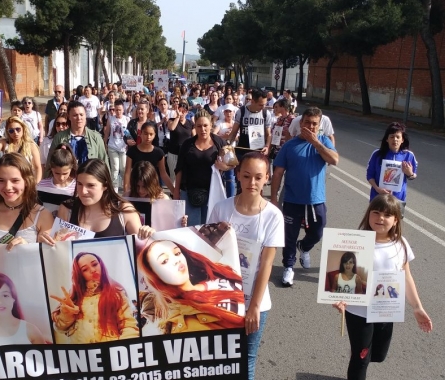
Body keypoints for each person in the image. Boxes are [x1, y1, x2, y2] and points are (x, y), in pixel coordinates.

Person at [332, 194, 432, 380]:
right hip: (358, 312)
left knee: (378, 355)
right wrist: (339, 298)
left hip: (385, 310)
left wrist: (417, 307)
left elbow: (406, 277)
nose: (380, 218)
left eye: (387, 215)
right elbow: (345, 275)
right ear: (368, 215)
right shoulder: (355, 243)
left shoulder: (400, 244)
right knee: (360, 357)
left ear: (395, 220)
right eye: (376, 213)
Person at [207, 152, 284, 380]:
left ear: (267, 178)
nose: (252, 183)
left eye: (258, 177)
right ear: (237, 174)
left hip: (254, 301)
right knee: (219, 358)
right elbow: (210, 254)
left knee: (246, 360)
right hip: (222, 298)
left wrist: (254, 307)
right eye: (247, 176)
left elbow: (266, 265)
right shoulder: (221, 208)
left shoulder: (273, 216)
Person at [271, 106, 339, 287]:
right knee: (289, 235)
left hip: (316, 199)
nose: (310, 126)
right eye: (307, 122)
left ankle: (305, 247)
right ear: (301, 123)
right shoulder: (290, 145)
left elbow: (334, 160)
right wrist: (274, 199)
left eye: (314, 124)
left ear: (320, 125)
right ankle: (288, 267)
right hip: (293, 199)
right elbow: (277, 173)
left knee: (318, 231)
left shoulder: (323, 142)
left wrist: (316, 143)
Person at [136, 240, 245, 334]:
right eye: (165, 261)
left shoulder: (214, 273)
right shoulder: (184, 318)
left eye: (177, 253)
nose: (176, 260)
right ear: (156, 276)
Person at [53, 159, 154, 239]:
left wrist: (149, 235)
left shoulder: (124, 211)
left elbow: (141, 249)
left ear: (105, 186)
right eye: (79, 184)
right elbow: (57, 249)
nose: (83, 191)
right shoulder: (67, 210)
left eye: (91, 185)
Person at [52, 252, 139, 343]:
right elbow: (60, 328)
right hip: (81, 354)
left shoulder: (116, 293)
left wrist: (121, 350)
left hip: (110, 352)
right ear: (79, 274)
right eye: (85, 269)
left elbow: (129, 326)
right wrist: (66, 314)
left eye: (95, 264)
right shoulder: (73, 296)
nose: (93, 270)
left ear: (100, 264)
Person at [0, 153, 53, 248]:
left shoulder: (43, 215)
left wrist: (27, 248)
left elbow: (47, 257)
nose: (8, 187)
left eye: (15, 180)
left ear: (27, 181)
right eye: (1, 180)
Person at [174, 112, 234, 225]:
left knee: (210, 229)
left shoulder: (220, 142)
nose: (203, 129)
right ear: (195, 127)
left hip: (213, 193)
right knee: (192, 229)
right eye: (199, 126)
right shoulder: (187, 144)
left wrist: (224, 167)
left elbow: (233, 163)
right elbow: (179, 169)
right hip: (189, 192)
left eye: (205, 125)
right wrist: (177, 191)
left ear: (211, 125)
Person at [366, 122, 418, 210]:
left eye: (398, 137)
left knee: (395, 223)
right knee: (376, 222)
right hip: (378, 197)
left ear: (402, 140)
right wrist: (377, 188)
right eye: (392, 137)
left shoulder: (409, 155)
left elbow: (413, 175)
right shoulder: (377, 154)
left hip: (398, 198)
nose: (395, 140)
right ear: (387, 139)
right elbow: (369, 175)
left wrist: (410, 173)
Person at [46, 101, 109, 168]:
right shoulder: (59, 138)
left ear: (85, 116)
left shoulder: (96, 137)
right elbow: (50, 163)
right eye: (75, 115)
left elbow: (104, 162)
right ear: (69, 117)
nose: (79, 118)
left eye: (81, 115)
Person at [124, 121, 175, 194]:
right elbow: (127, 172)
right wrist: (126, 191)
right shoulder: (132, 151)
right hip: (137, 189)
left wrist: (174, 191)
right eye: (145, 133)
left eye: (151, 134)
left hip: (153, 189)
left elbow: (163, 174)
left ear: (155, 135)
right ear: (140, 133)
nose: (148, 137)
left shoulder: (159, 153)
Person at [0, 116, 43, 181]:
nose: (15, 133)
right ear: (7, 132)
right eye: (11, 131)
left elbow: (37, 168)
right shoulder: (5, 143)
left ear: (23, 129)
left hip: (26, 181)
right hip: (9, 180)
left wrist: (36, 185)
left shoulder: (31, 145)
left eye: (18, 129)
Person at [228, 88, 272, 159]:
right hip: (242, 151)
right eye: (260, 105)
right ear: (252, 101)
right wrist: (227, 144)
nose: (263, 107)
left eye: (265, 104)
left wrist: (267, 146)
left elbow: (268, 134)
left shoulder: (266, 114)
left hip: (258, 152)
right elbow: (233, 133)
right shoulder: (241, 112)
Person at [37, 143, 77, 214]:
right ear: (51, 168)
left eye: (65, 173)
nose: (61, 178)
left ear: (71, 168)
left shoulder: (76, 187)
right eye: (57, 173)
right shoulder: (41, 186)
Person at [166, 101, 196, 187]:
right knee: (173, 176)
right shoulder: (171, 120)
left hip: (186, 153)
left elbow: (194, 137)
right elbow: (171, 128)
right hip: (173, 153)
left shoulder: (190, 123)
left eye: (184, 111)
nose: (182, 113)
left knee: (185, 175)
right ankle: (173, 195)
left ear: (187, 112)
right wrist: (177, 117)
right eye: (180, 110)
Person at [104, 99, 131, 191]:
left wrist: (129, 143)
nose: (118, 111)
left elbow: (129, 134)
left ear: (123, 109)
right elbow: (107, 132)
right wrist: (105, 143)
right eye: (116, 110)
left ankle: (125, 187)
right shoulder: (110, 119)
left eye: (120, 109)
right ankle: (114, 189)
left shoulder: (127, 119)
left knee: (123, 168)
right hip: (112, 146)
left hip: (123, 148)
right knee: (115, 168)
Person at [213, 104, 238, 197]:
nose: (228, 113)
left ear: (233, 113)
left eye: (230, 111)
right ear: (223, 113)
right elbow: (214, 135)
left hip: (232, 151)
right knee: (220, 175)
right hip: (222, 151)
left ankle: (230, 198)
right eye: (226, 111)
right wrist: (225, 137)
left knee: (230, 176)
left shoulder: (236, 123)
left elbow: (238, 137)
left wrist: (231, 136)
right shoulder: (220, 123)